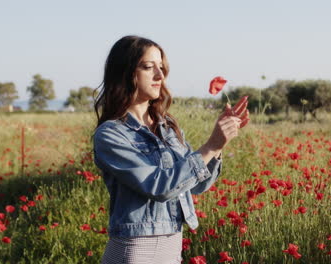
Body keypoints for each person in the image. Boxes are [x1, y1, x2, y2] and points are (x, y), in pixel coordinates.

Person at [93, 35, 249, 264]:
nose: (160, 75)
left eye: (161, 67)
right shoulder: (111, 134)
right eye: (148, 67)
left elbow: (197, 185)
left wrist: (218, 147)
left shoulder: (167, 127)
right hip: (135, 252)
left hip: (171, 249)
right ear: (125, 72)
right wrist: (211, 145)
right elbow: (159, 186)